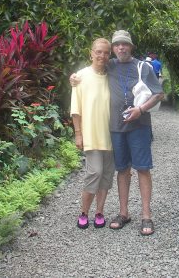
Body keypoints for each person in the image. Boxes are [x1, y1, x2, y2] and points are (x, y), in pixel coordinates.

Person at [71, 30, 164, 235]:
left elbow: (159, 94)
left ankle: (146, 215)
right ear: (113, 49)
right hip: (116, 128)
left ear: (131, 47)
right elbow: (91, 71)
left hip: (139, 126)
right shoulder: (110, 65)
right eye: (117, 45)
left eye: (125, 44)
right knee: (122, 170)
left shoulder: (143, 66)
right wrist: (74, 78)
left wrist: (140, 109)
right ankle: (124, 213)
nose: (121, 47)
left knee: (142, 168)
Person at [70, 38, 115, 230]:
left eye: (105, 52)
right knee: (94, 173)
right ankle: (84, 212)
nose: (102, 56)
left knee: (106, 175)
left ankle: (100, 212)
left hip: (112, 136)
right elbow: (75, 109)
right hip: (91, 136)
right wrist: (78, 134)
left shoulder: (113, 76)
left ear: (109, 55)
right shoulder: (80, 76)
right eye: (98, 52)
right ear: (91, 53)